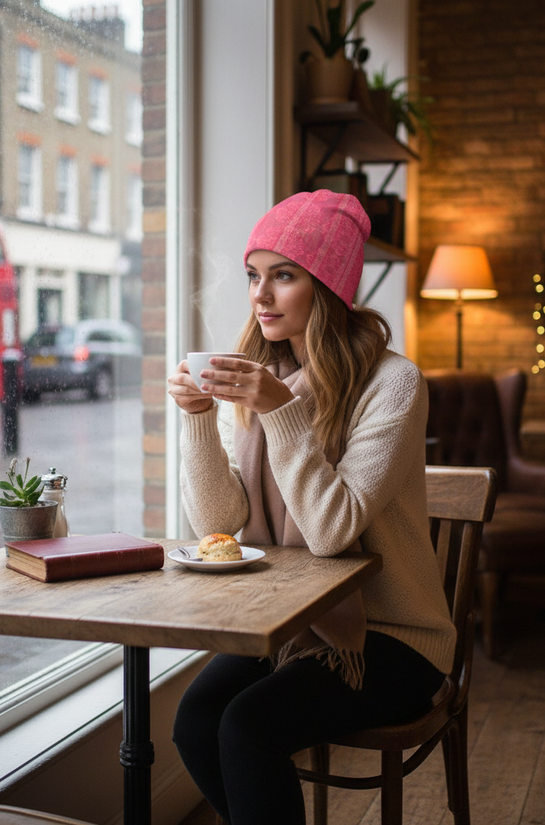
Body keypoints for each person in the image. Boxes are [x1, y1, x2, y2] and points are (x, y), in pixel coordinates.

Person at [167, 189, 456, 825]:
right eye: (253, 276)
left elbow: (331, 531)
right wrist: (196, 421)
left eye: (284, 276)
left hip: (394, 635)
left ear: (326, 287)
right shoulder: (259, 374)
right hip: (290, 620)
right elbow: (218, 525)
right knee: (195, 723)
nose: (260, 296)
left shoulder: (393, 383)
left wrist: (280, 411)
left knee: (247, 727)